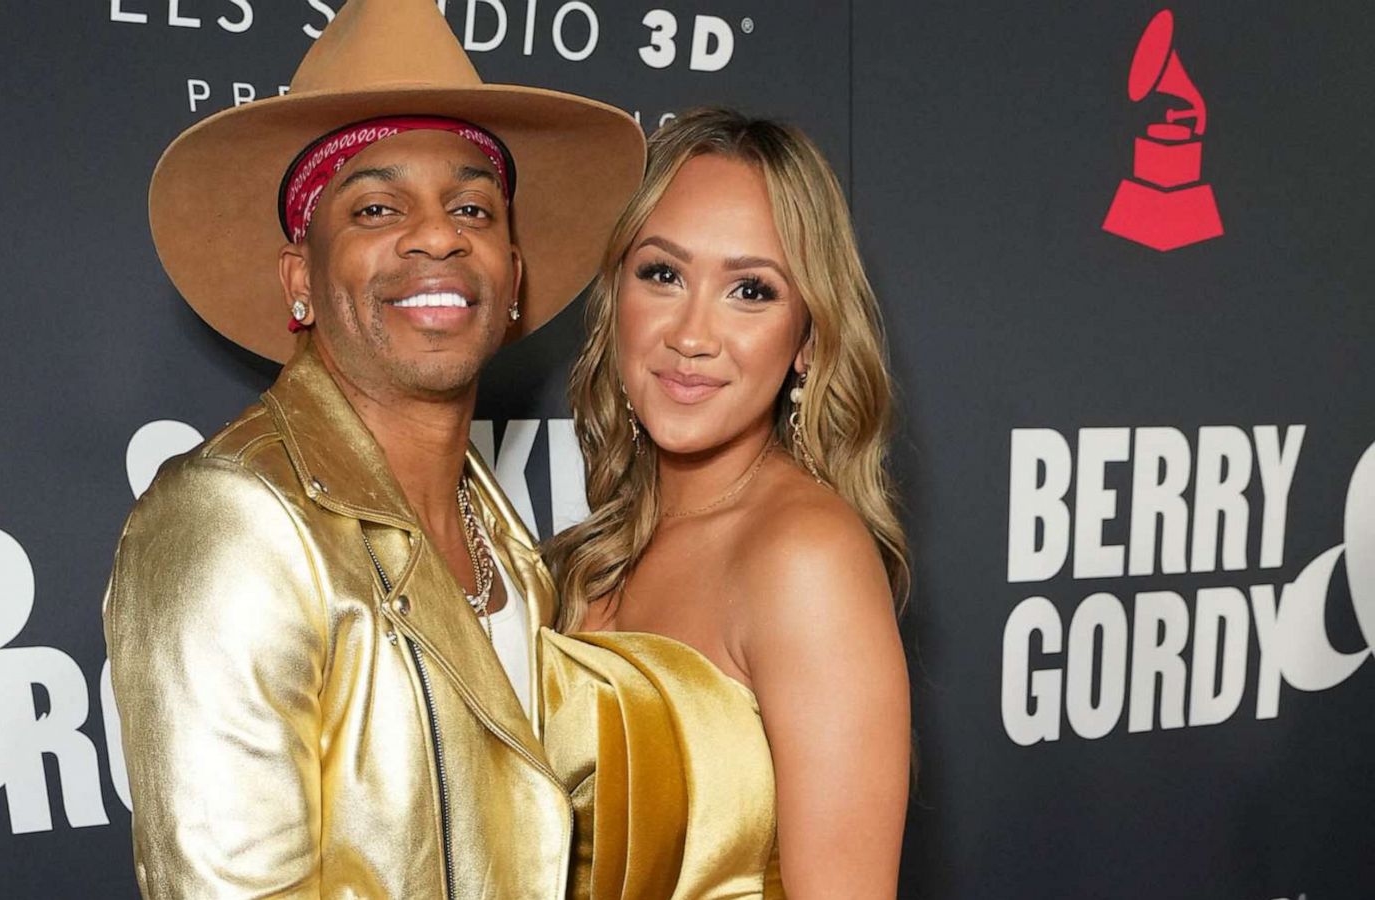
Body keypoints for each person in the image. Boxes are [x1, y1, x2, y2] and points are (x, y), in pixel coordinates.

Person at [101, 1, 643, 897]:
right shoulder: (231, 518)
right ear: (301, 280)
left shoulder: (505, 537)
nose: (438, 235)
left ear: (512, 277)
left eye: (473, 205)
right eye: (377, 207)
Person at [541, 107, 912, 899]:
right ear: (616, 299)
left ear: (807, 340)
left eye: (751, 290)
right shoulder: (596, 545)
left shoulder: (806, 558)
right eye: (663, 274)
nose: (692, 334)